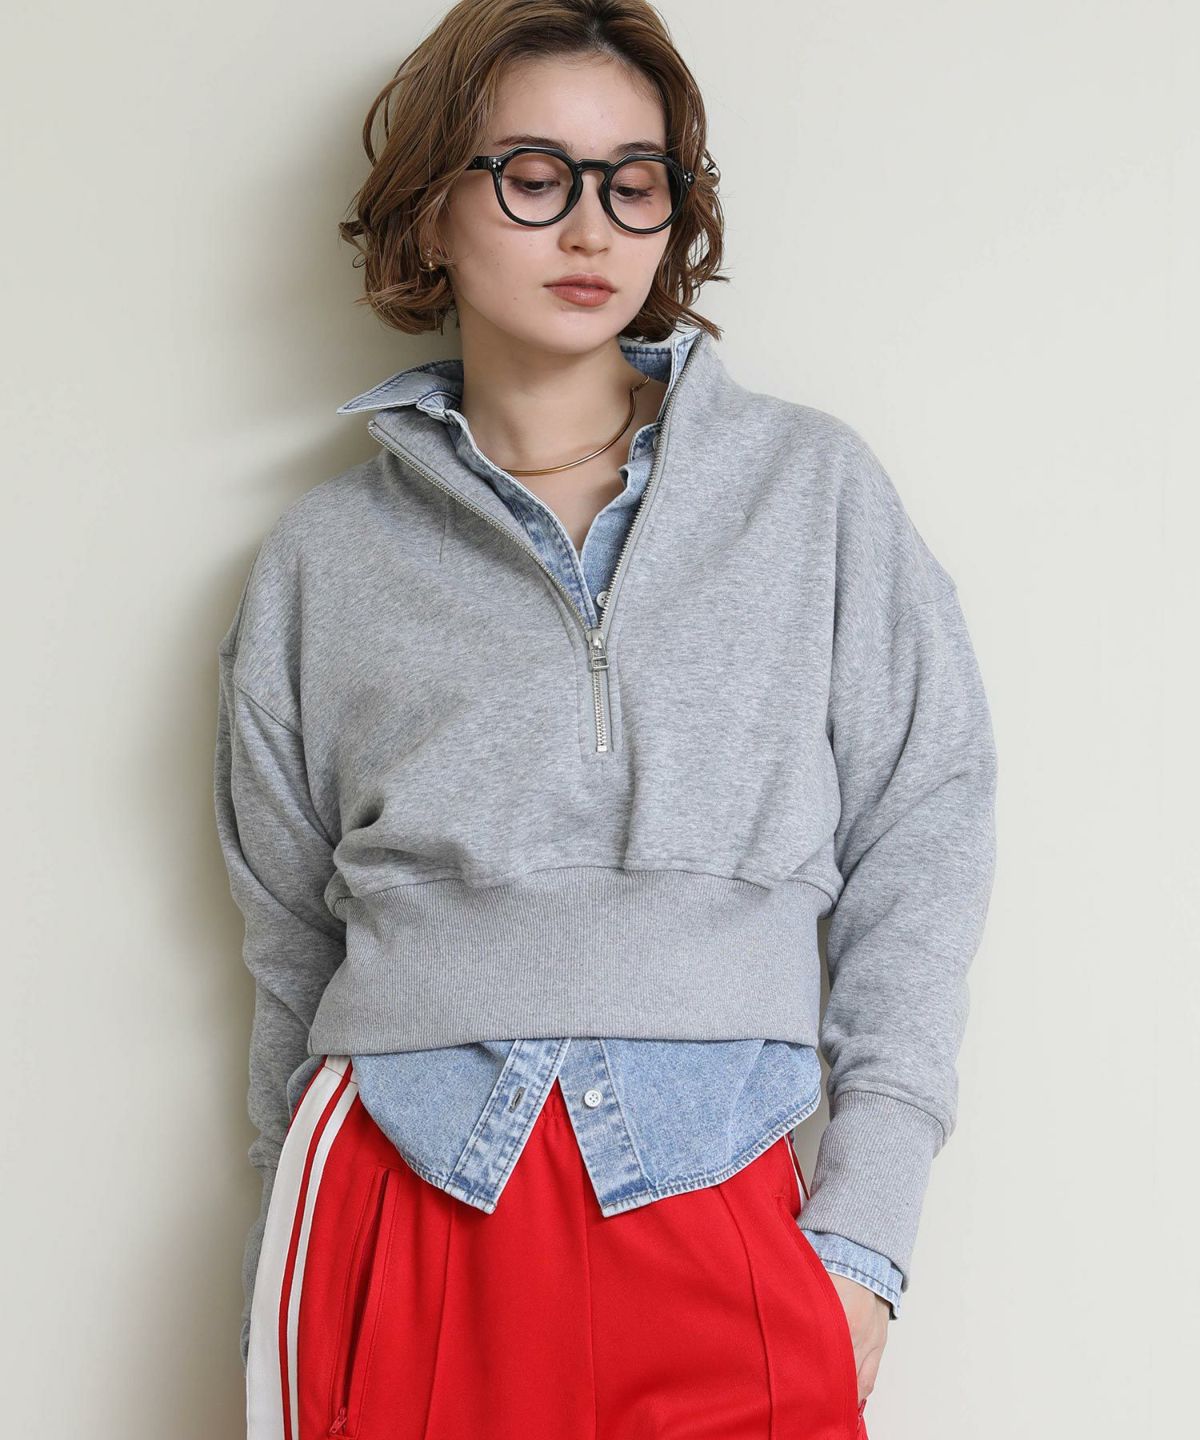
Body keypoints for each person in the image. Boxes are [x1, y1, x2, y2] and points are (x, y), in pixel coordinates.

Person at [212, 2, 998, 1436]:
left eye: (636, 182)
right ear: (431, 210)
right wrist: (299, 1224)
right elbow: (286, 936)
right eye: (534, 176)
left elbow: (926, 835)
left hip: (729, 1193)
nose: (591, 228)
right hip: (398, 1197)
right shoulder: (324, 560)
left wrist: (865, 1240)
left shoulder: (809, 493)